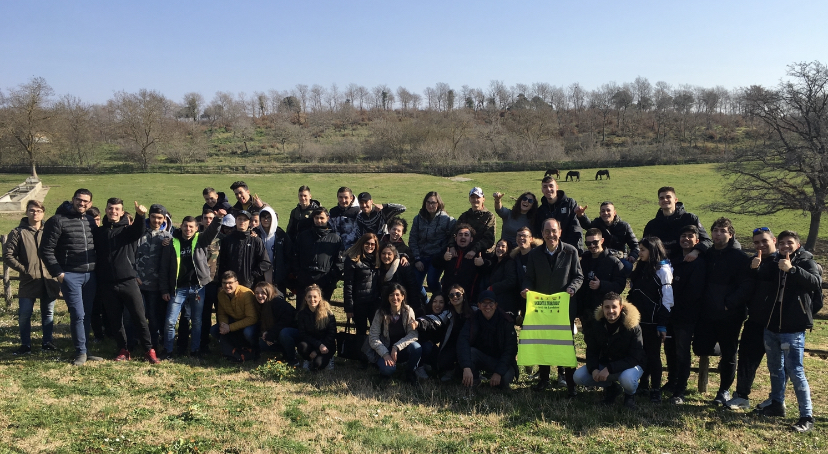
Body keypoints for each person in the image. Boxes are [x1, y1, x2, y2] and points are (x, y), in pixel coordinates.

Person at [752, 230, 820, 433]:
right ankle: (777, 404)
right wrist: (755, 267)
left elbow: (815, 283)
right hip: (771, 326)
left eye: (789, 242)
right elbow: (762, 279)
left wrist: (792, 270)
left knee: (796, 371)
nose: (785, 246)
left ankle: (806, 416)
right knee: (775, 368)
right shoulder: (774, 262)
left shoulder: (807, 262)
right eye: (781, 243)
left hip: (793, 328)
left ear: (797, 245)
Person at [692, 217, 753, 406]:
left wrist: (730, 303)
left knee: (729, 353)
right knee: (700, 347)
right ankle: (718, 347)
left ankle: (723, 390)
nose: (718, 234)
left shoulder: (740, 257)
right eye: (715, 230)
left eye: (722, 231)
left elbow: (746, 285)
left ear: (730, 234)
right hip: (708, 313)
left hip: (730, 315)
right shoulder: (708, 254)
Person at [520, 218, 583, 395]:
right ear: (542, 233)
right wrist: (526, 288)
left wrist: (572, 288)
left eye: (554, 231)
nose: (551, 235)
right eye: (547, 231)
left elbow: (579, 276)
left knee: (566, 345)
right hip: (541, 309)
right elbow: (528, 277)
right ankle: (544, 379)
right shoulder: (534, 254)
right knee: (543, 342)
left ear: (560, 232)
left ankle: (571, 383)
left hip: (563, 309)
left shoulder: (571, 252)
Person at [93, 198, 160, 364]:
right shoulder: (99, 232)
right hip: (107, 283)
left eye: (117, 209)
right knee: (115, 320)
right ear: (106, 210)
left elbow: (138, 230)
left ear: (122, 212)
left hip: (128, 281)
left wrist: (139, 215)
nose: (113, 211)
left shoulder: (127, 231)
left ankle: (148, 350)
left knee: (139, 317)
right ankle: (123, 349)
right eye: (110, 208)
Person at [40, 189, 102, 365]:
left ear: (90, 203)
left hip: (90, 275)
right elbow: (45, 250)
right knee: (77, 314)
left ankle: (86, 349)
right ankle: (80, 352)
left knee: (88, 314)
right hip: (70, 275)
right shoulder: (57, 221)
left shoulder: (90, 221)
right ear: (73, 199)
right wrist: (59, 274)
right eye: (79, 200)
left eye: (86, 201)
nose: (82, 204)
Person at [725, 227, 780, 411]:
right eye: (756, 242)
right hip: (755, 320)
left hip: (777, 323)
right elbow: (745, 288)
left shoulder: (783, 262)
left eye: (764, 241)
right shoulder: (751, 263)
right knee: (747, 359)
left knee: (777, 365)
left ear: (774, 240)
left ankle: (776, 399)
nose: (761, 245)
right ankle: (741, 396)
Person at [158, 212, 223, 358]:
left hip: (197, 287)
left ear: (196, 228)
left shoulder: (201, 240)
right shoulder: (171, 243)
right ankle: (167, 350)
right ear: (180, 226)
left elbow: (213, 231)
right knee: (170, 321)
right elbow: (163, 269)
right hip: (178, 289)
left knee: (197, 321)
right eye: (185, 226)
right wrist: (164, 290)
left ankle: (195, 350)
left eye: (191, 227)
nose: (188, 229)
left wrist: (218, 219)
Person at [4, 200, 60, 355]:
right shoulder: (18, 233)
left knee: (48, 313)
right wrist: (25, 269)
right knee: (24, 313)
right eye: (32, 210)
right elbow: (8, 255)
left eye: (38, 210)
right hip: (28, 280)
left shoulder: (49, 231)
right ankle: (25, 345)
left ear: (43, 213)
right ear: (27, 212)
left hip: (48, 279)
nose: (35, 213)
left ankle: (47, 342)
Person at [573, 292, 646, 409]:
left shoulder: (632, 326)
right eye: (607, 307)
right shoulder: (597, 325)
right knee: (578, 377)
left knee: (626, 379)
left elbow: (635, 357)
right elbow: (592, 350)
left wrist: (610, 368)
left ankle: (629, 395)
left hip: (631, 365)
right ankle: (612, 388)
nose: (610, 311)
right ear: (602, 308)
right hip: (607, 364)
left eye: (614, 307)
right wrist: (594, 369)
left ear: (621, 307)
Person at [626, 236, 673, 402]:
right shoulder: (641, 267)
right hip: (638, 320)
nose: (640, 252)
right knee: (641, 353)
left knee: (653, 356)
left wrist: (662, 324)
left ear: (653, 250)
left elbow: (667, 300)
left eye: (643, 249)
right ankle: (643, 384)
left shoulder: (663, 270)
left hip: (654, 322)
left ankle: (656, 389)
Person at [664, 225, 706, 405]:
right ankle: (671, 382)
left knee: (682, 352)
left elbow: (694, 292)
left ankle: (680, 389)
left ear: (697, 241)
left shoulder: (698, 263)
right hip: (669, 314)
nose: (686, 239)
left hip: (686, 315)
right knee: (669, 349)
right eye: (683, 235)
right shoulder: (672, 261)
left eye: (690, 236)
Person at [457, 290, 518, 390]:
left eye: (491, 303)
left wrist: (498, 372)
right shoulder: (472, 319)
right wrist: (466, 367)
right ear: (479, 305)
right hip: (481, 357)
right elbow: (462, 342)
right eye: (484, 304)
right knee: (471, 353)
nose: (488, 307)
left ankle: (496, 376)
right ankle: (475, 378)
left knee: (505, 381)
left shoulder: (506, 321)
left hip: (500, 360)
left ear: (496, 305)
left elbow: (510, 350)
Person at [364, 283, 422, 384]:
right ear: (387, 297)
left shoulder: (408, 311)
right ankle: (384, 370)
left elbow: (413, 334)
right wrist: (385, 354)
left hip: (401, 348)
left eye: (397, 294)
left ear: (403, 297)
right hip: (385, 348)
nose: (394, 298)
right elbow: (373, 337)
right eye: (391, 295)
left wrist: (396, 347)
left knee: (416, 347)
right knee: (388, 370)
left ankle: (410, 372)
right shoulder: (380, 313)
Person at [134, 203, 173, 352]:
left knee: (154, 316)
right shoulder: (139, 232)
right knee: (137, 315)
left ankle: (153, 345)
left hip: (156, 285)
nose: (156, 220)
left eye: (159, 218)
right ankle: (135, 341)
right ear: (149, 216)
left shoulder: (167, 237)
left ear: (164, 219)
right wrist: (134, 275)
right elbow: (131, 254)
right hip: (137, 282)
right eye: (153, 217)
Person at [576, 228, 626, 341]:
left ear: (602, 240)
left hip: (605, 311)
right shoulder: (583, 261)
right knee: (589, 340)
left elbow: (620, 285)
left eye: (595, 242)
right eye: (588, 243)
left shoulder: (613, 261)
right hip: (587, 311)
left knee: (605, 340)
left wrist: (601, 285)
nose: (592, 245)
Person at [642, 186, 711, 260]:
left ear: (675, 200)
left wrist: (695, 252)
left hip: (686, 262)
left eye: (668, 197)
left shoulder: (690, 219)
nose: (665, 200)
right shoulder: (652, 225)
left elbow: (707, 241)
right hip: (661, 265)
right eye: (661, 198)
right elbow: (644, 246)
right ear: (659, 202)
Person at [409, 191, 456, 297]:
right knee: (415, 283)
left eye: (433, 203)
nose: (430, 205)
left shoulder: (446, 219)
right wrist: (417, 259)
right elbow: (413, 239)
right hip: (421, 256)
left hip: (437, 257)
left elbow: (458, 229)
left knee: (432, 281)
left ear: (438, 204)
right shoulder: (418, 219)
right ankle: (426, 302)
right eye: (428, 202)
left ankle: (438, 302)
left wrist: (451, 246)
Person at [294, 207, 343, 302]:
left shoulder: (335, 239)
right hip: (305, 279)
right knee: (302, 310)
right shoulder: (303, 236)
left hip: (325, 280)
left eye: (322, 218)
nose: (319, 221)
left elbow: (339, 261)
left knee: (322, 312)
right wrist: (299, 274)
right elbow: (295, 255)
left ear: (327, 218)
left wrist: (331, 278)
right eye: (316, 218)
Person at [578, 201, 639, 275]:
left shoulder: (624, 226)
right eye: (603, 211)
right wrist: (581, 215)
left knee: (627, 266)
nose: (605, 213)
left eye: (608, 210)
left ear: (614, 213)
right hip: (600, 256)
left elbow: (635, 245)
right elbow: (588, 225)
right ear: (600, 214)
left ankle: (619, 283)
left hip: (619, 257)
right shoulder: (597, 224)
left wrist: (632, 256)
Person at [216, 210, 271, 289]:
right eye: (239, 219)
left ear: (249, 222)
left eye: (245, 219)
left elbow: (265, 262)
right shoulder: (227, 240)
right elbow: (222, 263)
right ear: (236, 221)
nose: (242, 221)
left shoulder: (255, 240)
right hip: (230, 284)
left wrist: (252, 275)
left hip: (249, 285)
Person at [212, 271, 259, 361]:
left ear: (236, 283)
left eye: (230, 283)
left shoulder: (246, 294)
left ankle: (255, 349)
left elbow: (252, 318)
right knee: (214, 330)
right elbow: (222, 313)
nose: (227, 286)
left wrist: (230, 327)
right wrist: (223, 325)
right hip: (233, 321)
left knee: (248, 333)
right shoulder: (221, 294)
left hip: (250, 323)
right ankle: (232, 348)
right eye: (224, 283)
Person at [433, 224, 484, 305]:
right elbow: (435, 263)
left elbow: (487, 269)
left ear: (471, 239)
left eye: (466, 235)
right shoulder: (448, 250)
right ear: (456, 238)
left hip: (468, 298)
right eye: (460, 235)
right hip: (448, 296)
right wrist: (443, 258)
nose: (463, 237)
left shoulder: (477, 254)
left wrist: (481, 264)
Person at [532, 176, 584, 253]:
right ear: (542, 190)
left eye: (551, 186)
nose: (548, 189)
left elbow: (576, 228)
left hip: (569, 250)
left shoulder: (569, 204)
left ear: (557, 187)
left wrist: (576, 251)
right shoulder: (540, 211)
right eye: (545, 187)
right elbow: (539, 233)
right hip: (549, 252)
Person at [343, 233, 380, 334]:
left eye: (373, 244)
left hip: (374, 302)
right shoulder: (353, 260)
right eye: (367, 243)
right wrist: (349, 308)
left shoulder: (376, 258)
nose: (370, 246)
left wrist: (403, 256)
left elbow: (392, 253)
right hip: (359, 303)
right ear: (361, 243)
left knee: (376, 331)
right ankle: (359, 350)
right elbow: (348, 285)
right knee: (360, 332)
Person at [295, 284, 337, 371]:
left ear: (320, 298)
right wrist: (318, 346)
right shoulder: (302, 314)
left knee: (317, 365)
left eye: (315, 297)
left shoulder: (328, 313)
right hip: (312, 344)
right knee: (301, 346)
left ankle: (329, 359)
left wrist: (318, 350)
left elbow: (332, 333)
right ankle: (307, 359)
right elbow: (303, 334)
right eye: (309, 297)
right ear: (305, 298)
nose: (312, 299)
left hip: (326, 345)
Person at [378, 243, 424, 314]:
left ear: (394, 255)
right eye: (383, 253)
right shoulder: (378, 267)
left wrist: (415, 308)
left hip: (402, 304)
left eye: (389, 254)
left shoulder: (404, 266)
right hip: (384, 305)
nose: (386, 256)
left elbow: (412, 288)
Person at [254, 282, 297, 356]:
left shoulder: (278, 302)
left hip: (292, 331)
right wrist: (265, 333)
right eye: (257, 293)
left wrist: (271, 334)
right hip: (277, 331)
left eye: (263, 293)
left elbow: (286, 322)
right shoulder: (260, 305)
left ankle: (292, 358)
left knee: (284, 333)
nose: (259, 295)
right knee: (262, 344)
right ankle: (284, 350)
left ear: (269, 292)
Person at [256, 207, 291, 294]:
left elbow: (289, 255)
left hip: (278, 276)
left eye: (269, 217)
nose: (266, 219)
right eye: (263, 217)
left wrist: (283, 272)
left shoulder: (281, 235)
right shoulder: (255, 234)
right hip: (260, 274)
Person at [452, 187, 496, 256]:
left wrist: (474, 250)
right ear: (469, 199)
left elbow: (489, 239)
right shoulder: (464, 216)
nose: (475, 200)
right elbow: (454, 233)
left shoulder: (489, 216)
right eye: (472, 197)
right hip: (464, 251)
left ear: (483, 199)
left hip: (482, 253)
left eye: (478, 197)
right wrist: (451, 247)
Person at [413, 293, 451, 372]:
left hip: (432, 345)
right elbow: (424, 322)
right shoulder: (422, 312)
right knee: (427, 346)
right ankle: (418, 366)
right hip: (417, 343)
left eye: (441, 302)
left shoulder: (445, 317)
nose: (437, 305)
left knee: (438, 364)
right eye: (435, 301)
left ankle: (425, 362)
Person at [329, 186, 361, 250]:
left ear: (351, 198)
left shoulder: (357, 211)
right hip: (334, 245)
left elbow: (357, 231)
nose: (343, 200)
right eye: (340, 197)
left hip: (352, 247)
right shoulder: (333, 211)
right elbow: (330, 228)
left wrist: (344, 243)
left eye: (346, 198)